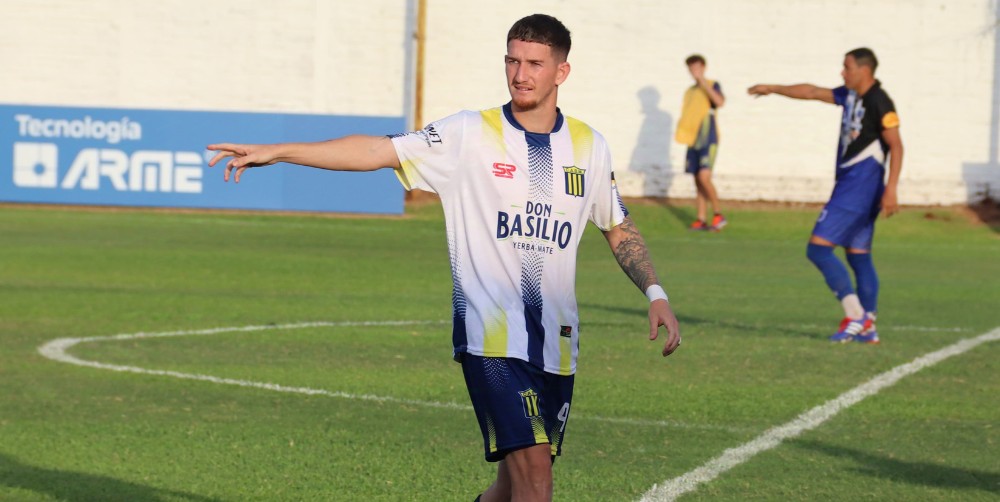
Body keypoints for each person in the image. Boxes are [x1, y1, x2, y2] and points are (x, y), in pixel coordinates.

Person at [207, 14, 681, 501]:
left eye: (535, 64)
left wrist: (655, 293)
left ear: (561, 71)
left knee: (510, 486)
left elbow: (617, 226)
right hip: (491, 339)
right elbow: (375, 151)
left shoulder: (589, 146)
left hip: (557, 343)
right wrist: (279, 151)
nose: (520, 74)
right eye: (512, 61)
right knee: (536, 477)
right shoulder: (469, 133)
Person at [747, 47, 903, 344]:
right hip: (853, 185)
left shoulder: (879, 101)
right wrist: (773, 88)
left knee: (818, 249)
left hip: (859, 187)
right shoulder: (851, 95)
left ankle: (856, 316)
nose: (842, 73)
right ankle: (868, 327)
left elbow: (896, 145)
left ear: (864, 70)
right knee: (858, 256)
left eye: (847, 67)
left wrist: (891, 188)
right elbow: (812, 92)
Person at [675, 54, 726, 231]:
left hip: (708, 138)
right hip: (693, 139)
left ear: (704, 67)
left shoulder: (712, 84)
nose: (694, 72)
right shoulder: (690, 91)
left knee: (705, 177)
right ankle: (701, 218)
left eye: (697, 68)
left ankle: (718, 214)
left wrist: (703, 82)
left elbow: (719, 102)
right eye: (691, 69)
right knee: (697, 179)